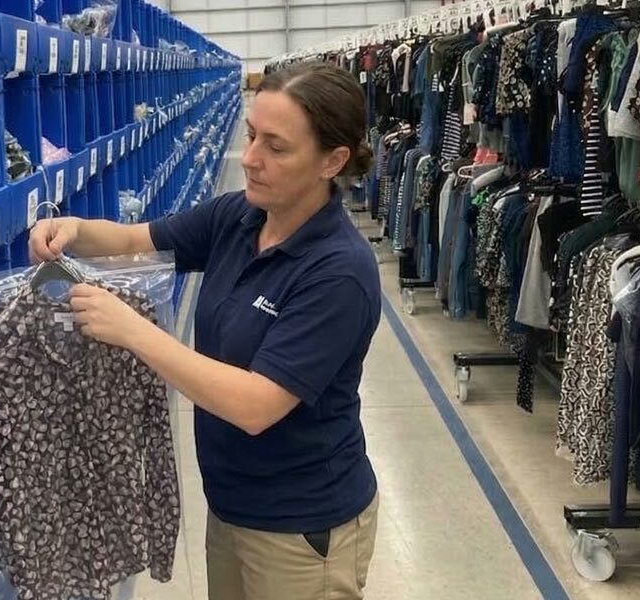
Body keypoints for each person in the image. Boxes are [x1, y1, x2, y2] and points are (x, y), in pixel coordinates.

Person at [29, 62, 381, 600]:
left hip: (303, 529)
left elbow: (255, 405)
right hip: (232, 504)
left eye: (276, 147)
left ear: (332, 161)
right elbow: (135, 240)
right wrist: (73, 230)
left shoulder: (338, 272)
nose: (251, 158)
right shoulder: (239, 218)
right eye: (252, 135)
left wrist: (134, 331)